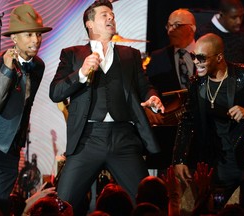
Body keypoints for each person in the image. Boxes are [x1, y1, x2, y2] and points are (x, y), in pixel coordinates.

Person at [49, 1, 164, 215]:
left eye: (112, 14)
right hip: (88, 139)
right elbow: (55, 92)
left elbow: (145, 87)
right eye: (104, 15)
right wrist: (81, 73)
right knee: (61, 204)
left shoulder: (130, 55)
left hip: (123, 138)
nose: (111, 17)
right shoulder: (72, 54)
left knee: (147, 203)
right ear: (90, 24)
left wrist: (153, 98)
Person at [172, 33, 244, 213]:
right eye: (194, 56)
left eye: (201, 58)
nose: (196, 62)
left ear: (219, 57)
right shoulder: (197, 83)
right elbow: (187, 120)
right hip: (218, 162)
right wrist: (179, 158)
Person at [0, 3, 52, 212]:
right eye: (29, 34)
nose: (35, 40)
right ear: (14, 39)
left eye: (38, 34)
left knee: (0, 206)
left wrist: (19, 139)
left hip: (10, 149)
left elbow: (25, 104)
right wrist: (7, 71)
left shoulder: (38, 65)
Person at [144, 9, 196, 172]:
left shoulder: (206, 52)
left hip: (200, 134)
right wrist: (148, 107)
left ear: (192, 28)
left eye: (177, 25)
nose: (170, 30)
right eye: (168, 26)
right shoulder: (157, 57)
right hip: (168, 136)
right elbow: (146, 87)